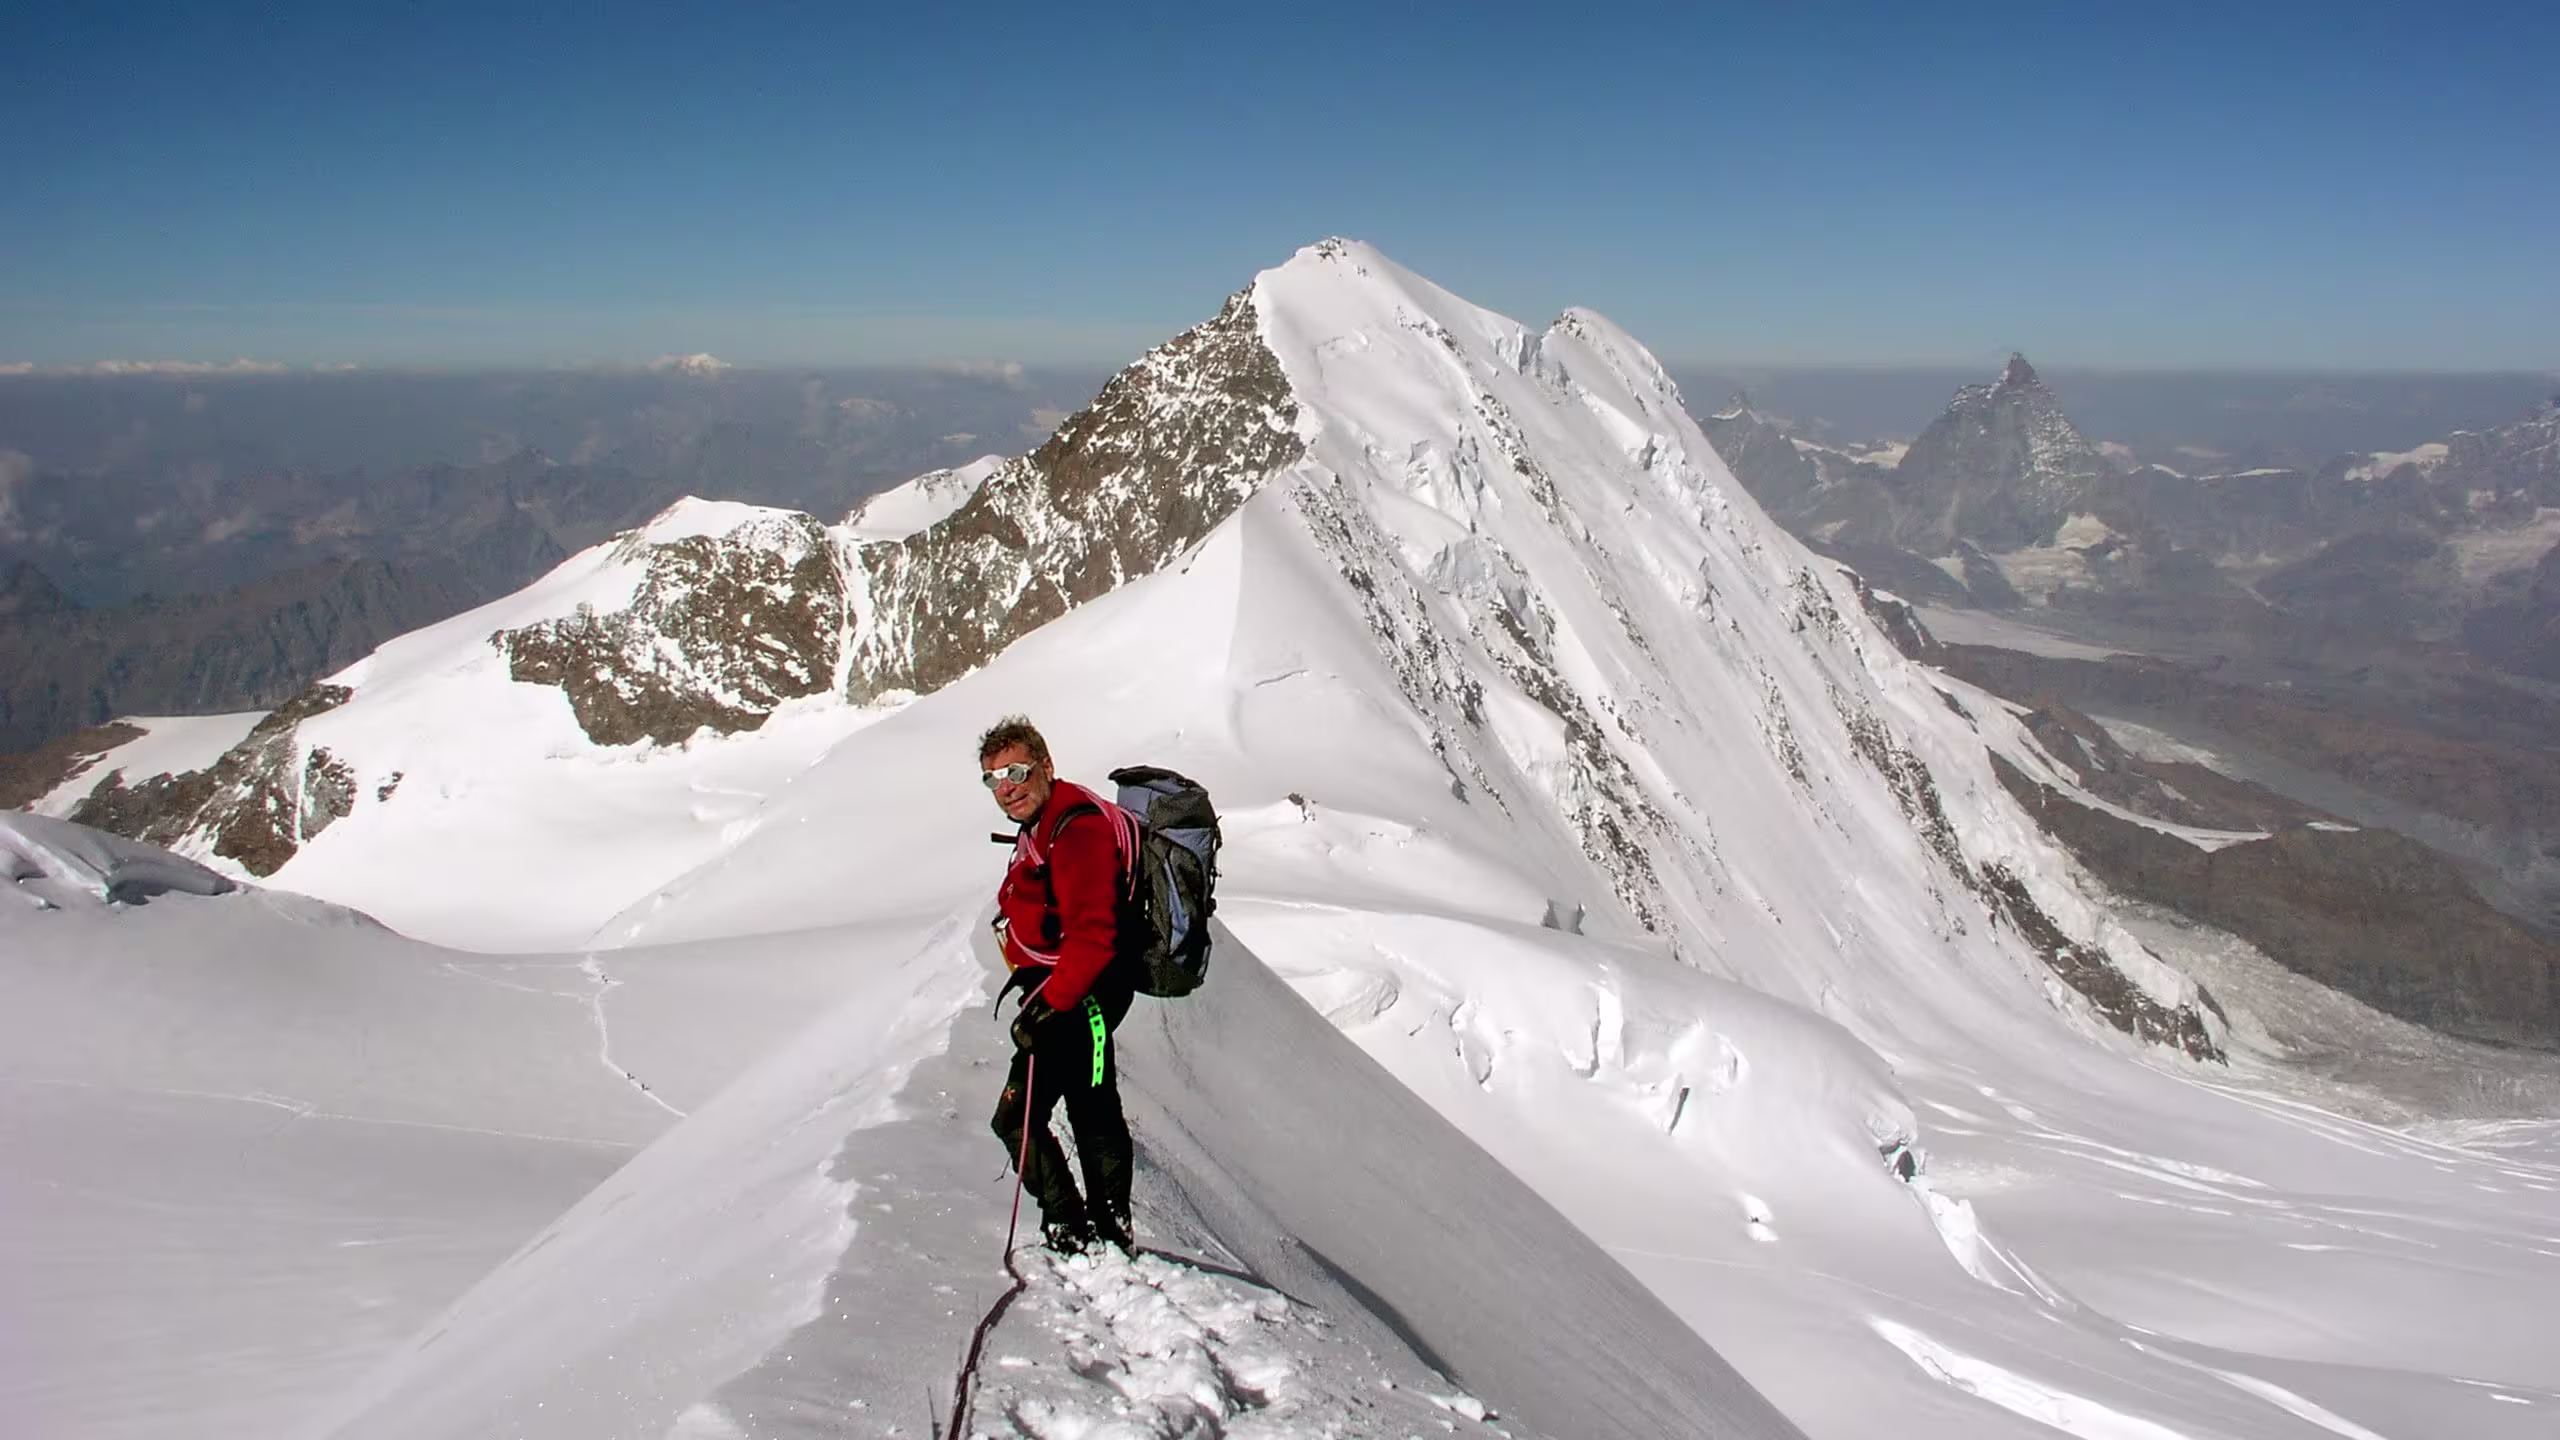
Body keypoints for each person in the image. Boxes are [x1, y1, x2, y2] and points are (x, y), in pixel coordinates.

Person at [981, 715, 1138, 1256]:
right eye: (995, 778)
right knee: (1084, 1109)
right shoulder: (1047, 823)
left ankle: (1085, 1230)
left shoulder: (1077, 832)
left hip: (1080, 996)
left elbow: (1093, 938)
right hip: (1064, 992)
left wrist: (1047, 1008)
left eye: (1019, 771)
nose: (1007, 786)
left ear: (1046, 766)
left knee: (1033, 1115)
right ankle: (1089, 1230)